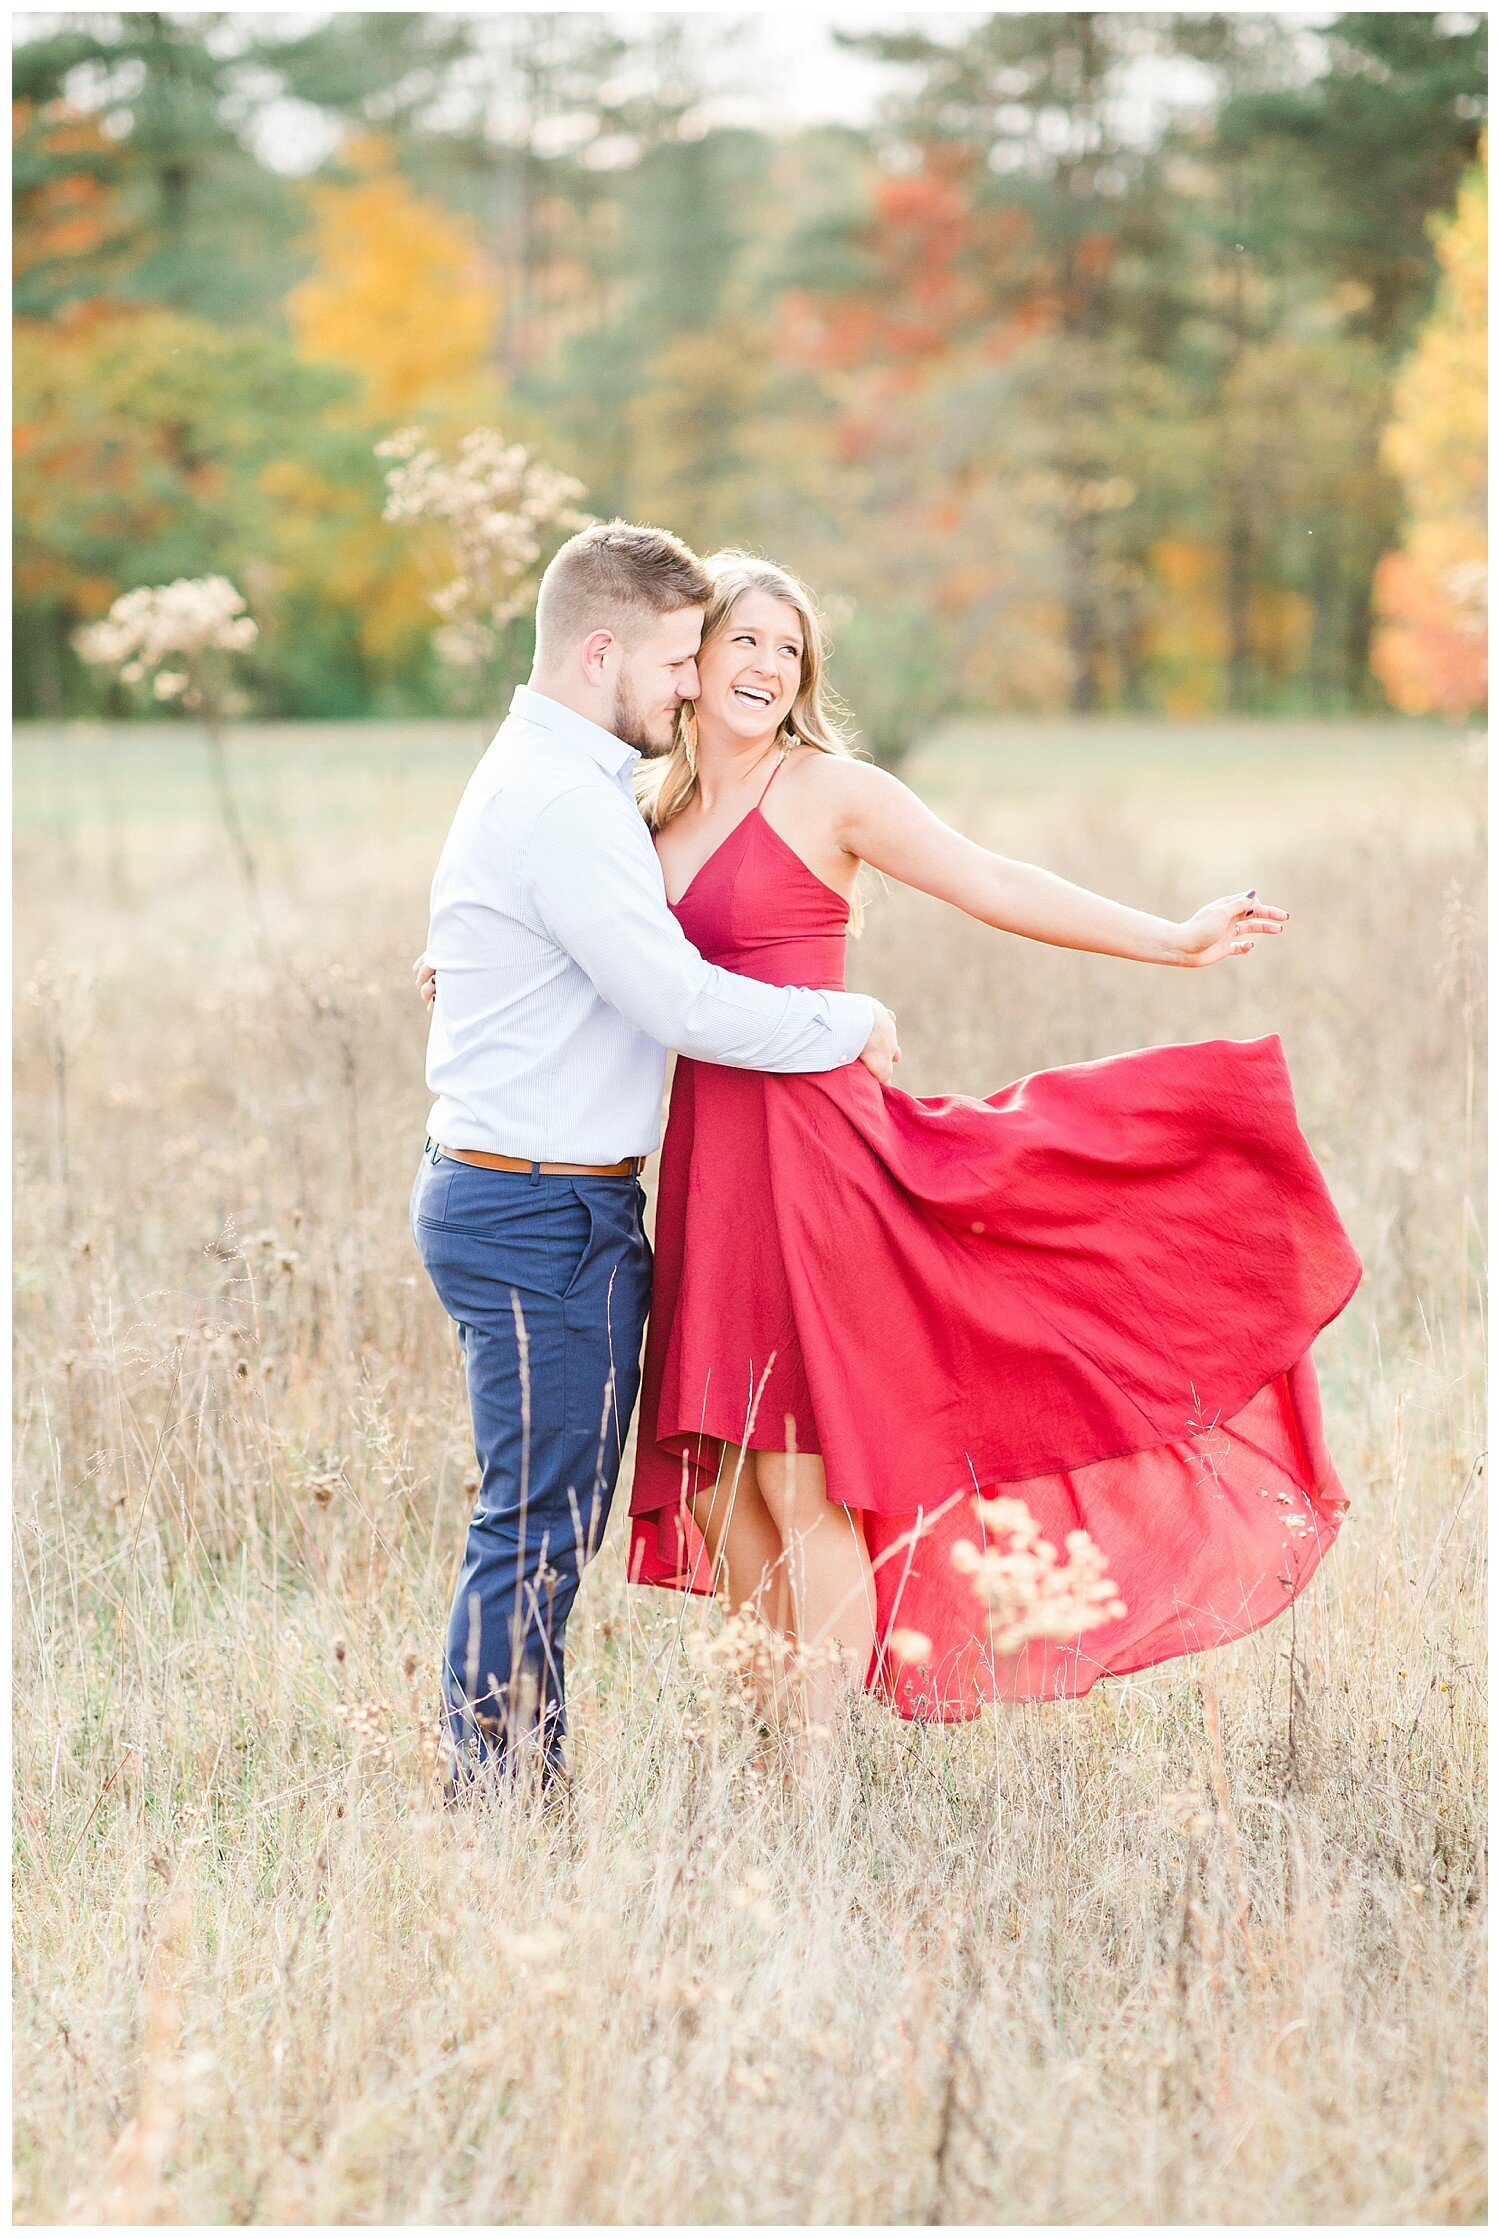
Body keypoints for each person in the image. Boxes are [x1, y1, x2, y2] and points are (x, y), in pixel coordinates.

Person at [623, 551, 1362, 1735]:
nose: (766, 665)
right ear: (691, 660)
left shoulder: (831, 792)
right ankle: (769, 1767)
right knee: (718, 1489)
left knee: (793, 1478)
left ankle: (807, 1801)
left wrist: (1167, 939)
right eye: (744, 641)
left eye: (788, 648)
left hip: (815, 1163)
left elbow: (989, 879)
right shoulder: (648, 803)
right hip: (709, 1168)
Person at [410, 522, 899, 1792]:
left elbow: (531, 930)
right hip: (536, 1211)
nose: (693, 686)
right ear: (603, 649)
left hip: (562, 1204)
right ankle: (499, 1798)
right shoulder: (572, 799)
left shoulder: (564, 779)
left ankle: (526, 1782)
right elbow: (679, 1001)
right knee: (534, 1529)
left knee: (548, 1521)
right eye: (687, 657)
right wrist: (851, 1021)